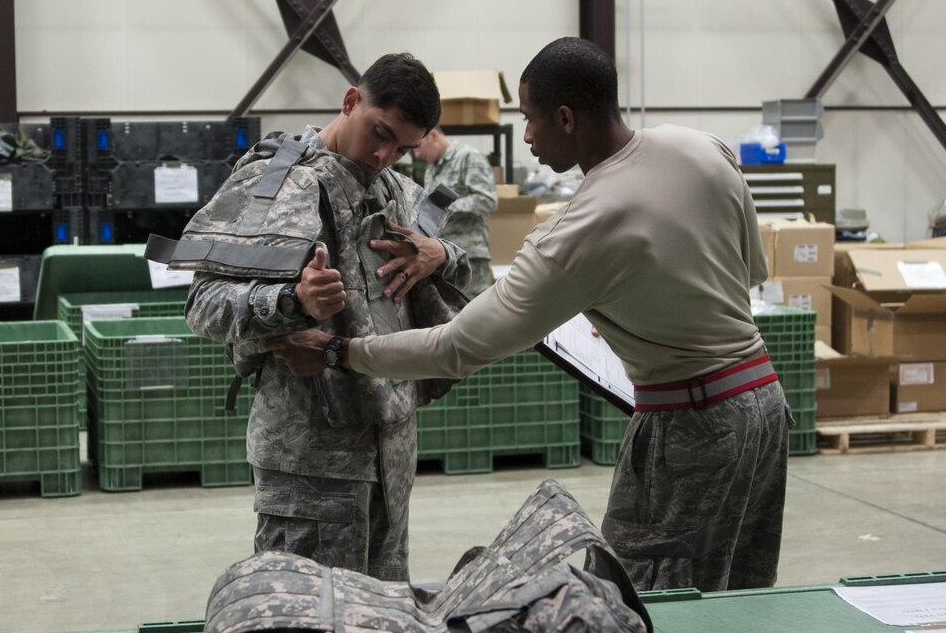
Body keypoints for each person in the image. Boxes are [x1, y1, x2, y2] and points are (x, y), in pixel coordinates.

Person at [275, 37, 788, 594]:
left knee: (651, 605)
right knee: (741, 598)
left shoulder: (580, 230)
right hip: (763, 407)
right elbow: (747, 271)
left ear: (566, 118)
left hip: (693, 427)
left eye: (531, 118)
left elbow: (455, 348)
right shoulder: (704, 148)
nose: (526, 136)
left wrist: (339, 351)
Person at [153, 53, 473, 580]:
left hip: (391, 459)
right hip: (309, 467)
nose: (383, 154)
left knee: (381, 631)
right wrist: (290, 305)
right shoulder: (275, 182)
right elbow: (203, 306)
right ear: (350, 101)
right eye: (379, 132)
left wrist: (441, 254)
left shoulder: (395, 191)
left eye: (403, 147)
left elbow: (457, 285)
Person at [413, 127, 499, 297]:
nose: (416, 154)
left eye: (418, 146)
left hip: (469, 256)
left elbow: (487, 200)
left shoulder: (468, 157)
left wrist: (443, 207)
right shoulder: (431, 168)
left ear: (433, 136)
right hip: (443, 257)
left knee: (473, 315)